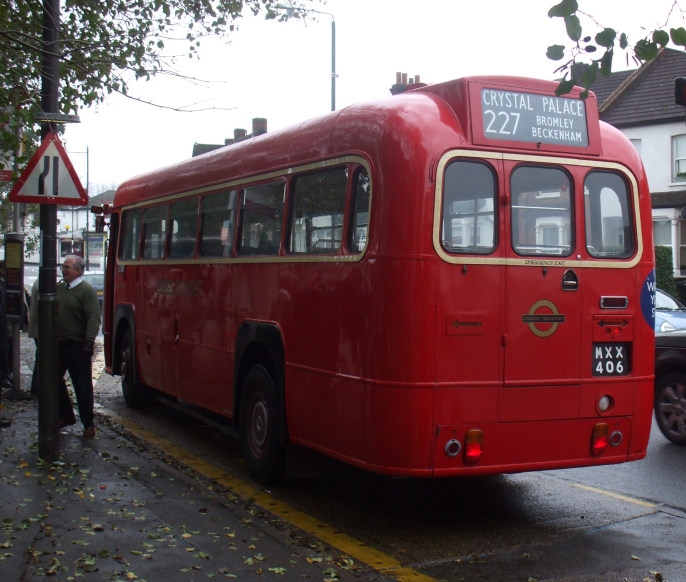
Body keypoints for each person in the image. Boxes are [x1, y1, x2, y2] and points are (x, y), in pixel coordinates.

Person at [57, 255, 101, 437]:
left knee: (82, 386)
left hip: (77, 345)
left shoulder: (86, 291)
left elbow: (93, 317)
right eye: (63, 267)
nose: (63, 270)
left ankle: (88, 423)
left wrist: (89, 342)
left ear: (77, 270)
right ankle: (67, 415)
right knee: (52, 380)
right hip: (58, 344)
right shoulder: (59, 288)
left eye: (67, 267)